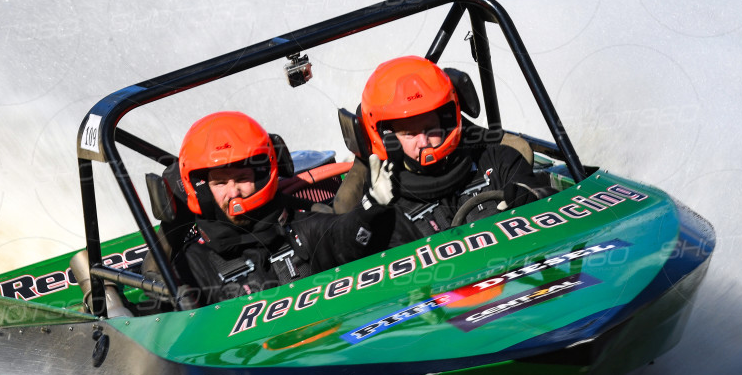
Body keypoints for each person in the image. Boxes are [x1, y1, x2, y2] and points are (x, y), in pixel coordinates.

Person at [173, 111, 395, 306]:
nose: (233, 192)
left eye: (242, 179)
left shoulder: (300, 226)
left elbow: (344, 235)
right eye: (220, 183)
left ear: (261, 178)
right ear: (203, 190)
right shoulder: (193, 264)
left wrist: (371, 208)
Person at [334, 55, 551, 246]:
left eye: (430, 128)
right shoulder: (384, 203)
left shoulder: (497, 160)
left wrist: (531, 199)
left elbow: (553, 206)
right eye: (409, 133)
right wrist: (370, 213)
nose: (423, 141)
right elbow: (347, 251)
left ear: (447, 122)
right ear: (388, 139)